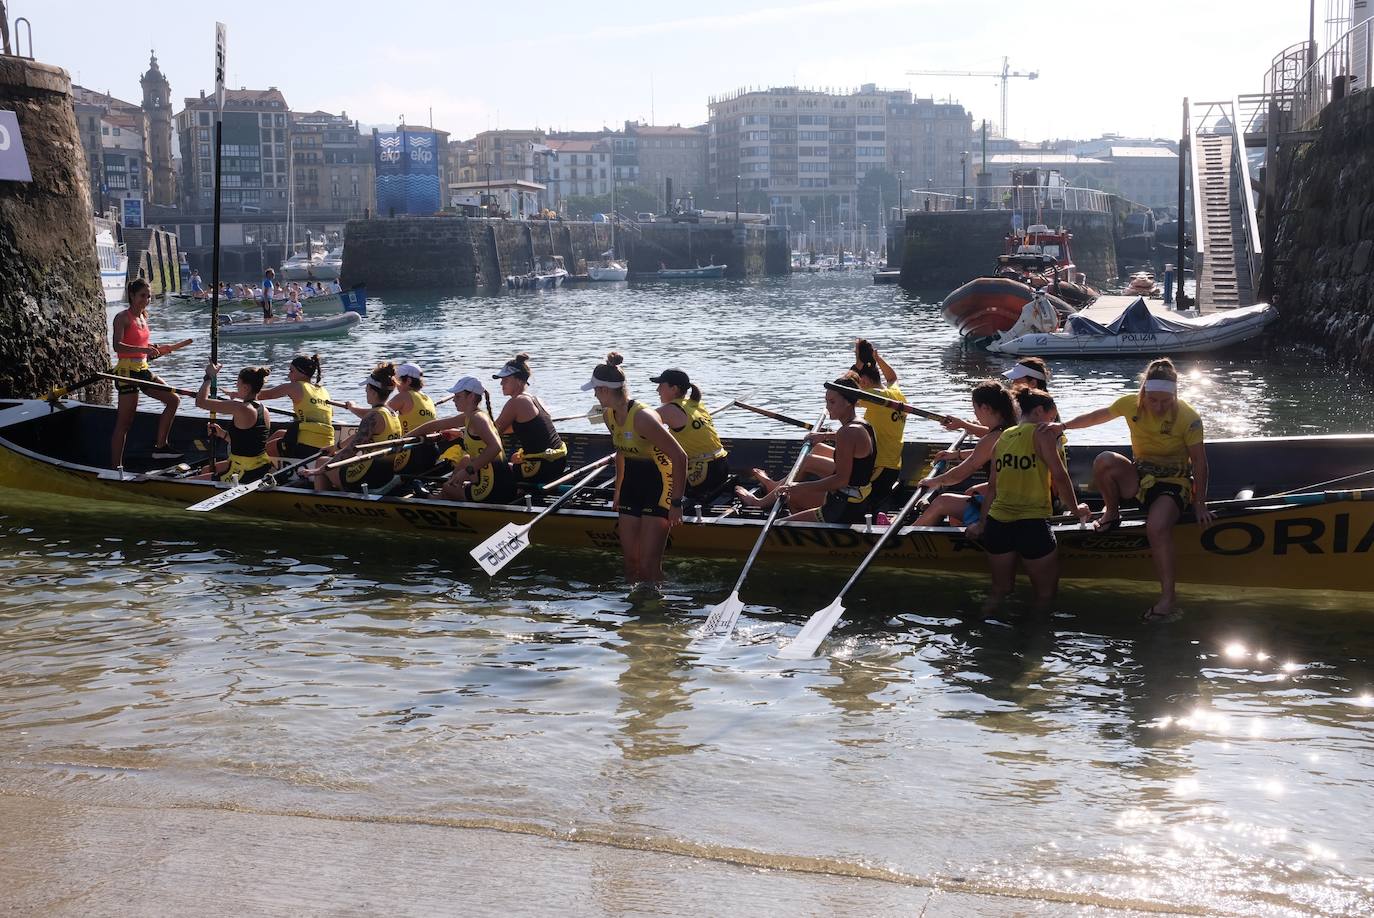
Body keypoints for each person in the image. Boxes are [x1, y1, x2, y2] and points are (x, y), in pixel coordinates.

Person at [1044, 357, 1213, 622]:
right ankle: (1112, 512)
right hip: (1140, 476)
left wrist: (1199, 502)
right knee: (1104, 460)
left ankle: (1168, 599)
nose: (1159, 407)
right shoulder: (1129, 403)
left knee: (1156, 527)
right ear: (1143, 393)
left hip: (1174, 482)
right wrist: (1062, 426)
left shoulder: (1189, 418)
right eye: (1153, 400)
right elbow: (1097, 416)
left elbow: (1200, 463)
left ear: (1175, 396)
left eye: (1165, 401)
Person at [966, 388, 1091, 611]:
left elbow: (993, 487)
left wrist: (982, 523)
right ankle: (1037, 633)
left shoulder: (1002, 437)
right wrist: (1076, 510)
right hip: (1032, 524)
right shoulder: (1043, 433)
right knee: (1045, 595)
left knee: (1000, 589)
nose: (1053, 424)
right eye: (1052, 418)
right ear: (1039, 412)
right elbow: (1060, 476)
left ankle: (983, 624)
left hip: (997, 525)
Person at [582, 353, 687, 585]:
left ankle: (658, 603)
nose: (594, 395)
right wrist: (618, 490)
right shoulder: (608, 415)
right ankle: (635, 605)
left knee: (649, 566)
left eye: (595, 390)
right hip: (631, 485)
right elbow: (621, 452)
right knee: (631, 563)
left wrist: (677, 503)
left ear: (605, 390)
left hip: (659, 486)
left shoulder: (643, 417)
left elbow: (680, 457)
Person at [738, 379, 878, 524]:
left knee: (780, 525)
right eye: (826, 401)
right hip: (856, 498)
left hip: (843, 508)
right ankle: (794, 510)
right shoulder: (862, 424)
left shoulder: (847, 432)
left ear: (848, 402)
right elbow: (849, 439)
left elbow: (840, 480)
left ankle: (763, 504)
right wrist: (824, 436)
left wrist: (799, 487)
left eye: (832, 402)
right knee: (811, 459)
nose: (827, 407)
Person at [913, 380, 1018, 526]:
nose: (975, 413)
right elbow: (982, 453)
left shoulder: (992, 438)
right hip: (1016, 497)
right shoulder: (1012, 428)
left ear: (985, 408)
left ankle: (906, 535)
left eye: (974, 408)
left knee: (942, 501)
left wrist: (933, 481)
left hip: (1005, 507)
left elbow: (961, 473)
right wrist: (956, 454)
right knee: (970, 493)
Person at [109, 278, 180, 468]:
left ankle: (161, 447)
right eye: (142, 296)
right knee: (124, 424)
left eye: (148, 296)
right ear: (132, 296)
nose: (146, 300)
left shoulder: (143, 317)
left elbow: (140, 344)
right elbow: (118, 346)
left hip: (142, 369)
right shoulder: (122, 317)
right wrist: (144, 350)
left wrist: (156, 348)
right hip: (126, 373)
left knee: (173, 400)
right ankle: (116, 469)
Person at [302, 363, 402, 492]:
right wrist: (336, 447)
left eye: (366, 387)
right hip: (386, 473)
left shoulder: (372, 416)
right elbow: (360, 436)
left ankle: (322, 501)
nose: (365, 390)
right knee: (333, 461)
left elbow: (352, 449)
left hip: (369, 476)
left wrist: (318, 470)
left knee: (322, 461)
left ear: (372, 391)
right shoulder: (391, 413)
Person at [429, 376, 518, 503]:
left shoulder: (477, 419)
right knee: (465, 459)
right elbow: (436, 425)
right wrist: (406, 437)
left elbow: (495, 447)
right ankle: (442, 495)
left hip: (494, 489)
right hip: (500, 483)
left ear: (471, 396)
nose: (453, 400)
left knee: (447, 488)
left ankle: (435, 498)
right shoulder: (474, 416)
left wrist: (467, 472)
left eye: (458, 396)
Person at [652, 368, 729, 505]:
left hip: (703, 473)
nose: (657, 390)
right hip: (722, 466)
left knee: (648, 474)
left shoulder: (670, 409)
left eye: (661, 385)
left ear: (674, 389)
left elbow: (640, 421)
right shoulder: (695, 403)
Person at [491, 353, 568, 486]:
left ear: (519, 380)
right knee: (513, 458)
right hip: (558, 462)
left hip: (542, 466)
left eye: (506, 379)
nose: (501, 383)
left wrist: (467, 432)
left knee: (489, 469)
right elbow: (512, 429)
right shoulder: (536, 399)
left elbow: (492, 432)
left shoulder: (516, 402)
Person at [196, 362, 272, 483]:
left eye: (238, 383)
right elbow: (247, 443)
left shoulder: (240, 408)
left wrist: (209, 377)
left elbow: (200, 402)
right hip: (260, 466)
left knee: (188, 482)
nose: (236, 386)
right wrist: (222, 434)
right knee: (205, 470)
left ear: (246, 388)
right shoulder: (264, 410)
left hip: (243, 471)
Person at [259, 353, 335, 460]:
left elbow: (265, 395)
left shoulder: (296, 386)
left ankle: (254, 464)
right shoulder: (323, 390)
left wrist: (238, 394)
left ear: (302, 373)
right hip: (327, 443)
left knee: (267, 449)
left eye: (291, 371)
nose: (288, 375)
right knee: (279, 433)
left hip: (309, 447)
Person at [389, 362, 439, 475]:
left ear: (408, 381)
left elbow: (377, 415)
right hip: (432, 452)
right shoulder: (428, 399)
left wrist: (352, 407)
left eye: (398, 381)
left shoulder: (404, 396)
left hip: (412, 454)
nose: (396, 385)